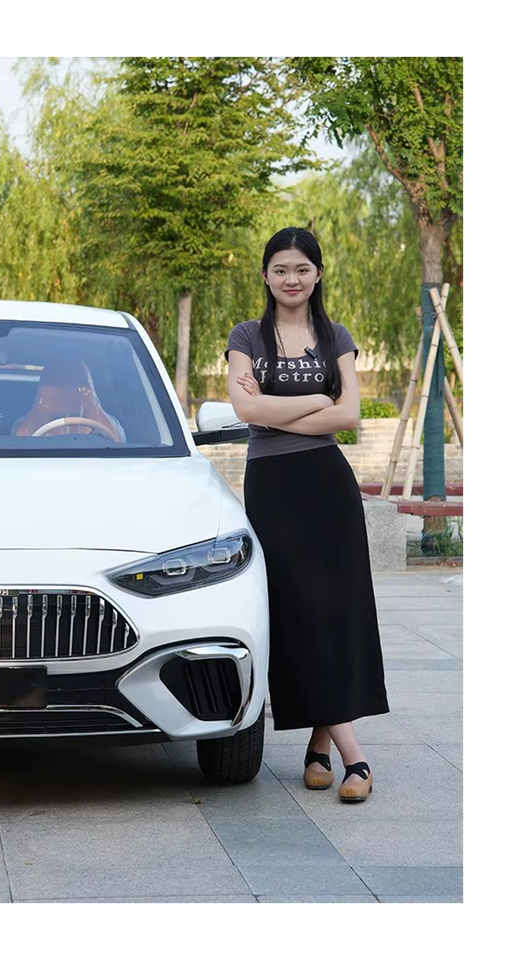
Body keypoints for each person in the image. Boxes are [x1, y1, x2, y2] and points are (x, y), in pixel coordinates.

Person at [225, 226, 389, 803]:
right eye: (280, 269)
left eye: (301, 269)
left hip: (327, 484)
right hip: (273, 486)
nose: (291, 279)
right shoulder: (246, 335)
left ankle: (323, 748)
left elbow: (349, 415)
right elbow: (245, 409)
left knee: (336, 610)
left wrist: (279, 410)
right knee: (297, 608)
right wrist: (318, 399)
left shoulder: (335, 335)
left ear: (317, 274)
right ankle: (353, 756)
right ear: (265, 276)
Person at [13, 360, 125, 441]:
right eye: (61, 386)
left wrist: (91, 406)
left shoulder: (106, 425)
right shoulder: (27, 426)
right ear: (45, 392)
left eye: (82, 386)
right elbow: (21, 448)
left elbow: (117, 444)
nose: (69, 393)